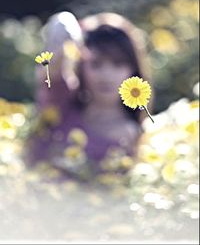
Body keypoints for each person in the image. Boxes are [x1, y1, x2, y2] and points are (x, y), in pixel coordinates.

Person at [25, 12, 152, 179]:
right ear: (81, 67)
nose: (106, 75)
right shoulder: (62, 103)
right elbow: (60, 29)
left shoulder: (134, 135)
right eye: (96, 64)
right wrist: (74, 39)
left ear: (133, 70)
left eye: (118, 64)